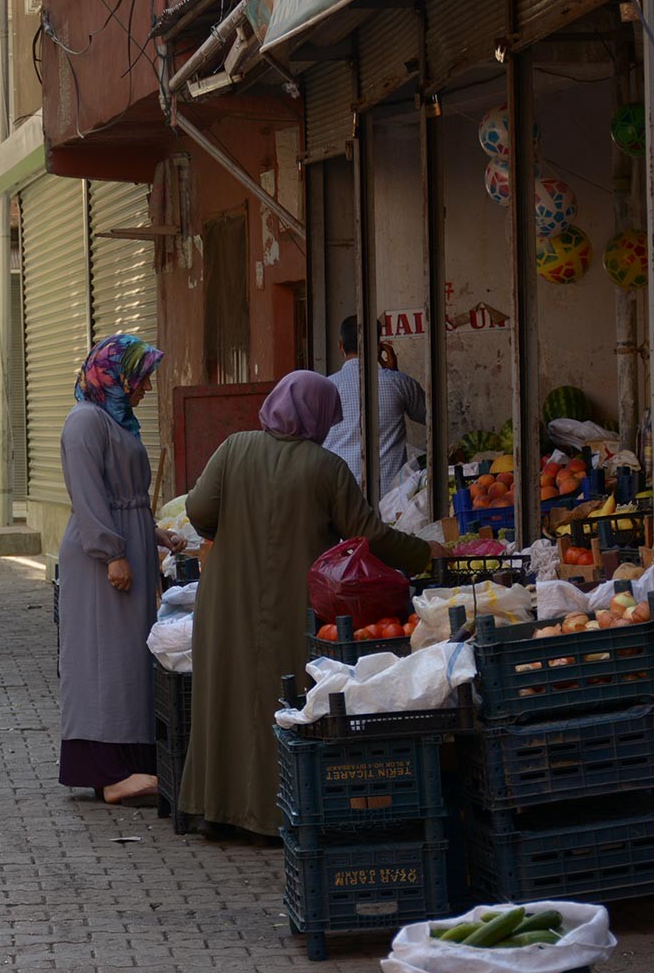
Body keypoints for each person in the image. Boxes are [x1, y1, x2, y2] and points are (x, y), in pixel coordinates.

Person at [178, 370, 432, 838]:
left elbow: (198, 511)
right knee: (285, 700)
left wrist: (229, 533)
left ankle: (217, 810)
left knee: (226, 697)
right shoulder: (325, 467)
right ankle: (276, 815)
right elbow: (368, 536)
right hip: (294, 604)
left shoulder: (234, 448)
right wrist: (424, 554)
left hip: (226, 600)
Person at [58, 333, 173, 805]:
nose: (145, 389)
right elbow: (87, 497)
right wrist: (114, 552)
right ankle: (108, 773)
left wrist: (153, 532)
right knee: (104, 659)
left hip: (126, 547)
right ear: (116, 375)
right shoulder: (86, 421)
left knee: (127, 659)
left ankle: (129, 763)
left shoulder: (114, 419)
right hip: (100, 560)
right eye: (140, 379)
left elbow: (123, 494)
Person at [325, 315, 428, 501]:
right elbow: (429, 416)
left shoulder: (325, 388)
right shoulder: (399, 383)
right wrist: (394, 373)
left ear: (340, 346)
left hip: (338, 495)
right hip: (389, 500)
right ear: (379, 346)